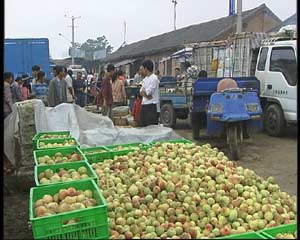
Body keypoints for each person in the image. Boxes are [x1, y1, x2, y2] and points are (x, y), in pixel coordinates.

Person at [139, 59, 160, 126]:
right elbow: (141, 92)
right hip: (144, 105)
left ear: (146, 68)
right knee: (143, 126)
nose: (141, 71)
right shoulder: (145, 79)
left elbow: (149, 93)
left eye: (142, 69)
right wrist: (146, 95)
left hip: (151, 106)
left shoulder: (154, 78)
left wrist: (145, 94)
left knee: (151, 128)